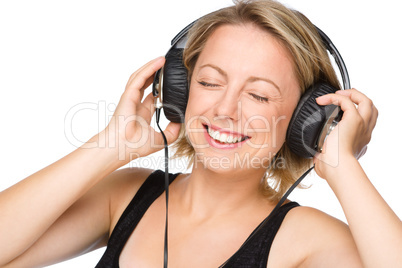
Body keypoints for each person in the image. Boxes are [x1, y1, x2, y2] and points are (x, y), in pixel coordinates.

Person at [0, 0, 401, 267]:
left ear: (306, 118)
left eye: (259, 95)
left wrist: (342, 164)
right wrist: (110, 147)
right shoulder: (124, 197)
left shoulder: (307, 240)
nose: (225, 110)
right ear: (178, 90)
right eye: (210, 83)